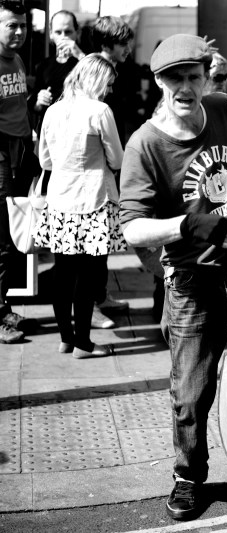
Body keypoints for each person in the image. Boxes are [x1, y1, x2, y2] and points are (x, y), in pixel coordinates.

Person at [119, 34, 227, 521]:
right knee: (192, 392)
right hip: (193, 279)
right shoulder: (145, 144)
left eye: (192, 76)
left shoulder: (224, 108)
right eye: (174, 77)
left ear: (204, 75)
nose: (185, 86)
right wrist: (183, 224)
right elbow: (131, 227)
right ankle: (188, 476)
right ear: (158, 81)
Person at [34, 54, 124, 358]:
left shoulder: (53, 111)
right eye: (109, 84)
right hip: (93, 200)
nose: (110, 90)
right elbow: (118, 159)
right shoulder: (100, 111)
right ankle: (84, 343)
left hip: (59, 199)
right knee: (88, 275)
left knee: (63, 271)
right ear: (97, 80)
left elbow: (44, 159)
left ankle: (66, 338)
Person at [87, 15, 136, 328]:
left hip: (111, 160)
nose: (129, 50)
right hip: (98, 167)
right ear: (107, 44)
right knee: (93, 238)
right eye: (123, 44)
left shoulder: (116, 71)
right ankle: (89, 303)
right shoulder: (95, 72)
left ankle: (100, 294)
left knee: (104, 236)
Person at [0, 0, 37, 344]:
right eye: (12, 25)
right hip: (2, 152)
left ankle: (4, 307)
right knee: (1, 235)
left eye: (23, 26)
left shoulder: (17, 59)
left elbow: (17, 107)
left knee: (11, 236)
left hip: (19, 150)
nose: (19, 32)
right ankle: (0, 316)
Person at [31, 10, 85, 139]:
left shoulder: (84, 62)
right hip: (50, 133)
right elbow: (35, 106)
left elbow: (98, 83)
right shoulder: (43, 66)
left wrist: (79, 54)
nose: (63, 37)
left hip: (76, 133)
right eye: (58, 32)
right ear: (51, 34)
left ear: (77, 33)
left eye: (68, 32)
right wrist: (39, 101)